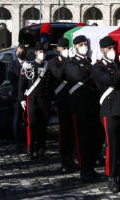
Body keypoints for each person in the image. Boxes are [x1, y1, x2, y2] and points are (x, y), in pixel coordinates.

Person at [91, 36, 120, 193]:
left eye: (114, 48)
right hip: (109, 110)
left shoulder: (118, 63)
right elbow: (111, 81)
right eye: (109, 48)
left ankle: (119, 175)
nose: (113, 51)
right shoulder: (97, 67)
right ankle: (111, 177)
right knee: (112, 146)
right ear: (103, 50)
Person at [62, 35, 101, 182]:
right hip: (79, 106)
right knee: (82, 139)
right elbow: (79, 76)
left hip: (93, 104)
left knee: (94, 139)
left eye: (86, 44)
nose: (84, 47)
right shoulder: (70, 63)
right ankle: (84, 170)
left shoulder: (89, 62)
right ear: (75, 47)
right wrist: (93, 64)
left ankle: (91, 167)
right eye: (81, 45)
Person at [19, 41, 53, 160]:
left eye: (43, 52)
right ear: (35, 53)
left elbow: (51, 85)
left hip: (44, 100)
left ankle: (41, 150)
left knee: (43, 126)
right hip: (32, 99)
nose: (42, 54)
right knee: (32, 125)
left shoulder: (48, 67)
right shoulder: (29, 66)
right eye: (40, 52)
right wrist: (21, 99)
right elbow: (22, 84)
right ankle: (31, 150)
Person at [48, 38, 78, 173]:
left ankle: (72, 158)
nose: (65, 49)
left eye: (67, 47)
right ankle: (64, 161)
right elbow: (58, 74)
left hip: (73, 99)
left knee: (73, 131)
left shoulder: (71, 60)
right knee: (65, 131)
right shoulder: (54, 61)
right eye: (63, 48)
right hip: (61, 100)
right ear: (58, 49)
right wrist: (68, 61)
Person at [9, 44, 27, 146]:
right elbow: (12, 80)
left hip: (27, 95)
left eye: (23, 51)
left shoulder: (28, 63)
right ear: (17, 53)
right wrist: (20, 91)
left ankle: (26, 138)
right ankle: (17, 140)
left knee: (26, 118)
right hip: (17, 95)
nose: (21, 53)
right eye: (19, 51)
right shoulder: (13, 64)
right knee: (17, 118)